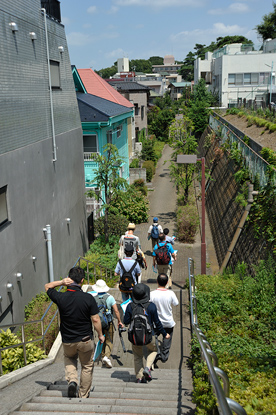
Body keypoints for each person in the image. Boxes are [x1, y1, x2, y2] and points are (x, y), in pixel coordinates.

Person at [45, 266, 105, 398]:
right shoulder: (88, 298)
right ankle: (83, 394)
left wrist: (61, 282)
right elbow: (95, 320)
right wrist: (100, 335)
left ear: (69, 279)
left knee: (70, 358)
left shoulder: (61, 297)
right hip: (85, 340)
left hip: (68, 340)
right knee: (87, 366)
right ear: (82, 280)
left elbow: (47, 287)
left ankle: (72, 380)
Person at [123, 283, 170, 383]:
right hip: (149, 335)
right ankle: (148, 368)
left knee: (137, 356)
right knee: (154, 350)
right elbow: (157, 323)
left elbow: (126, 321)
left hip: (134, 336)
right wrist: (164, 333)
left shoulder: (130, 306)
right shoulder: (151, 306)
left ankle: (139, 377)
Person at [91, 279, 124, 369]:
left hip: (98, 323)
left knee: (101, 338)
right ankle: (106, 356)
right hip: (108, 322)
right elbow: (116, 311)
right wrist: (119, 321)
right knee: (109, 340)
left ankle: (102, 357)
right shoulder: (110, 297)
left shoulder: (93, 299)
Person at [150, 274, 179, 364]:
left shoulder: (152, 294)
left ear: (157, 281)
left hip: (156, 322)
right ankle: (164, 356)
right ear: (167, 283)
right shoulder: (171, 293)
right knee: (167, 339)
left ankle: (156, 353)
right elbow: (176, 303)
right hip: (168, 322)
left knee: (154, 337)